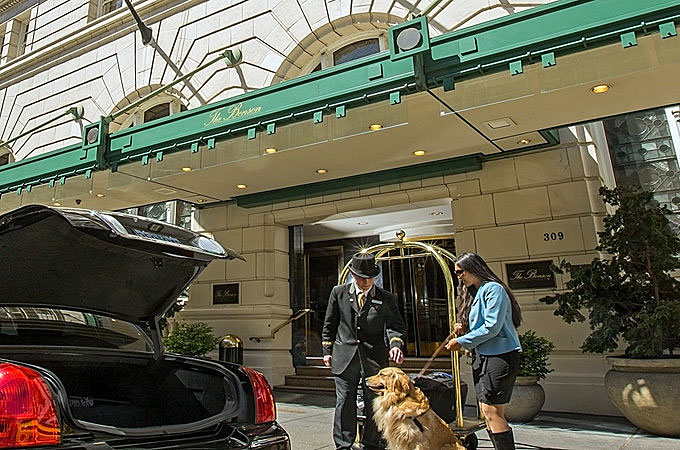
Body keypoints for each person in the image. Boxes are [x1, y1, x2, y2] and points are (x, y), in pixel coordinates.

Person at [322, 252, 406, 450]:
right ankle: (344, 445)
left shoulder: (386, 298)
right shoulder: (339, 292)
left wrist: (395, 345)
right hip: (344, 357)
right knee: (345, 401)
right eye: (361, 278)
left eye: (370, 278)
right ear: (353, 275)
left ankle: (372, 444)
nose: (366, 282)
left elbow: (395, 326)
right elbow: (330, 323)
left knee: (374, 403)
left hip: (374, 359)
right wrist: (327, 350)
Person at [444, 252, 522, 450]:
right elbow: (482, 325)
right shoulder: (476, 292)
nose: (459, 276)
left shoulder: (493, 289)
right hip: (484, 356)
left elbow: (492, 327)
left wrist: (461, 341)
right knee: (487, 411)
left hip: (499, 356)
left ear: (473, 268)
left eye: (460, 272)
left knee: (492, 411)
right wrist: (464, 329)